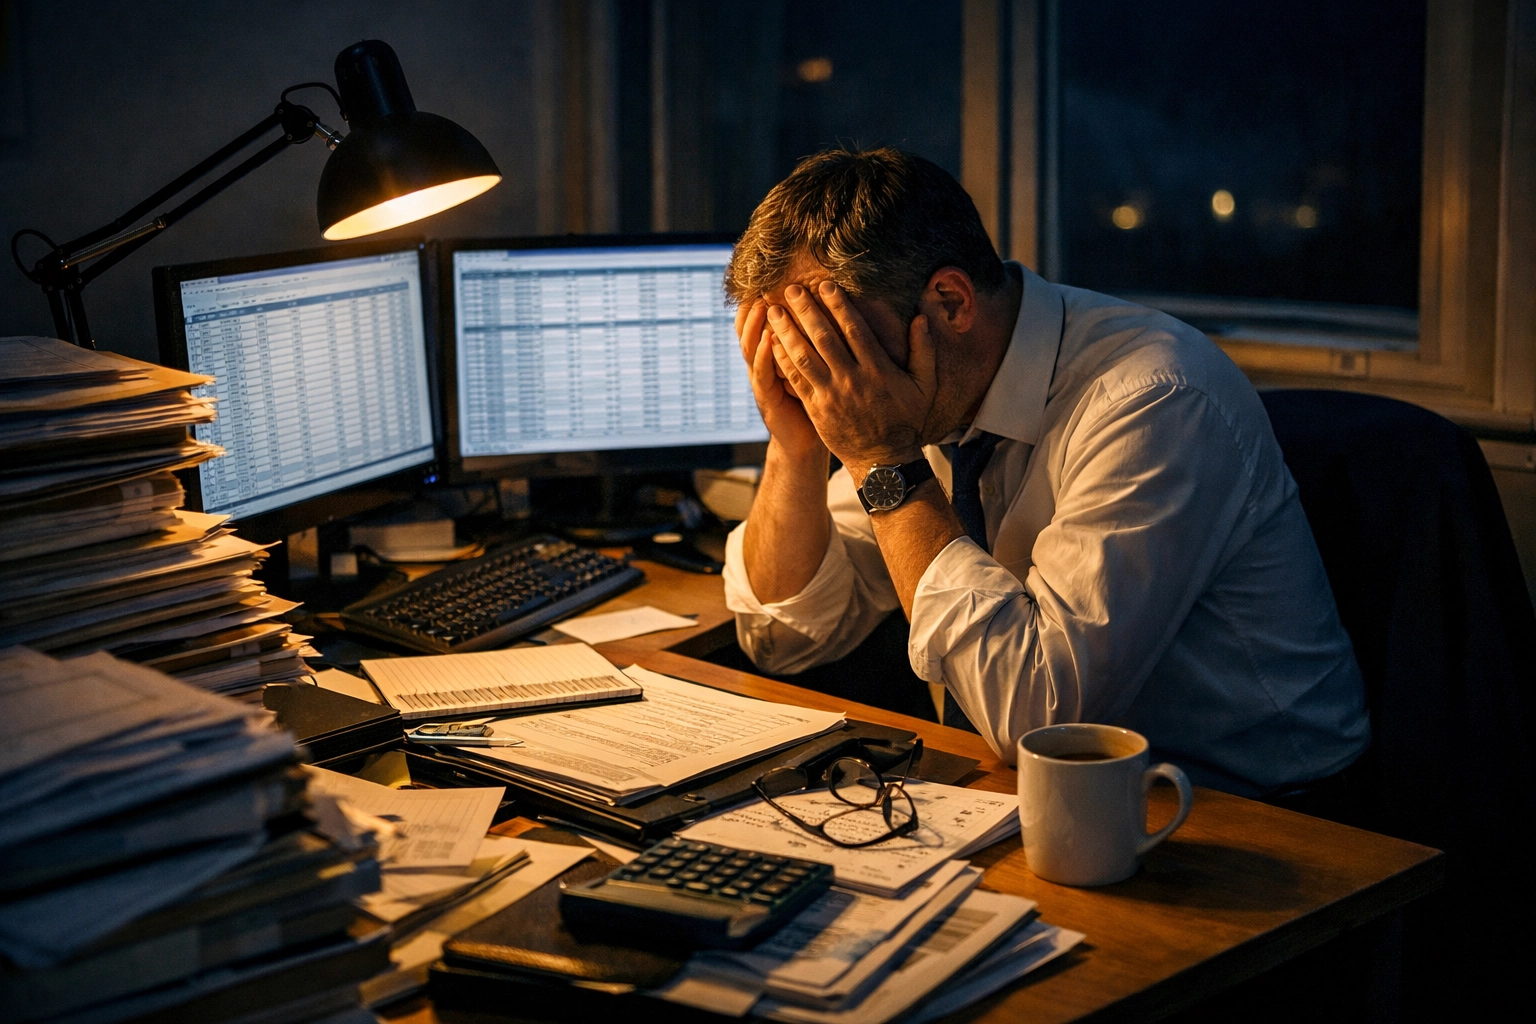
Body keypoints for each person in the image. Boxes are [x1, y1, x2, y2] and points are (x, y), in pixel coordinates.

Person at [720, 147, 1369, 798]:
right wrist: (795, 446)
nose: (819, 372)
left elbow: (1039, 719)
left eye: (832, 339)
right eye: (792, 342)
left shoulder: (1154, 401)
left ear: (950, 303)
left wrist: (881, 459)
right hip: (1058, 792)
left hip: (1263, 808)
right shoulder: (923, 399)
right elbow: (785, 637)